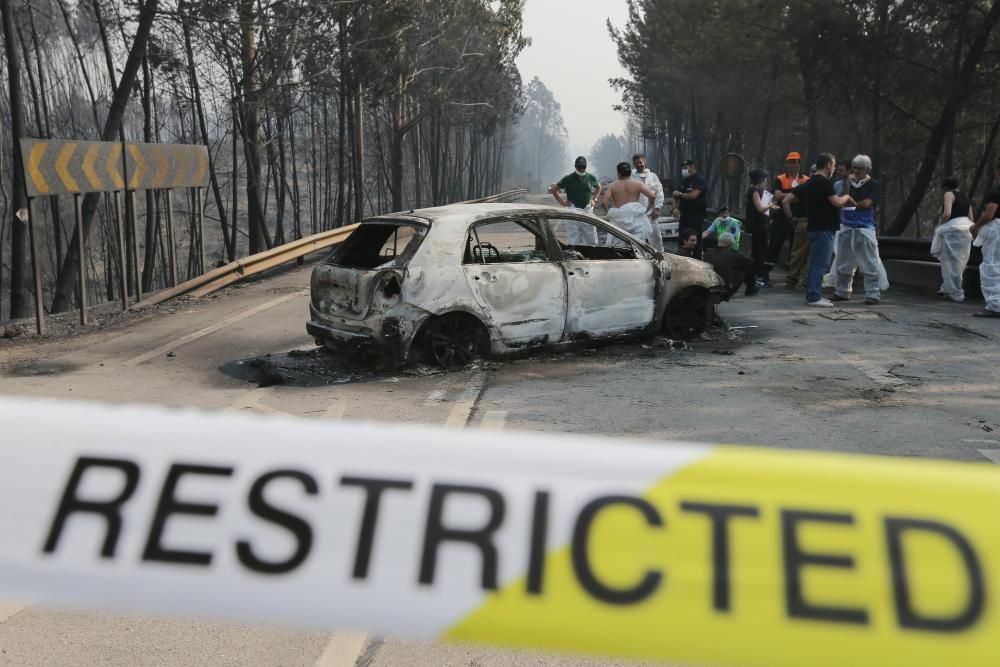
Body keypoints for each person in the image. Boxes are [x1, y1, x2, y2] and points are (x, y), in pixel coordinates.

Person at [782, 153, 855, 307]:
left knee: (816, 262)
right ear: (828, 164)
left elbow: (788, 199)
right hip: (824, 228)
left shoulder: (810, 183)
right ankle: (814, 296)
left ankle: (812, 294)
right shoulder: (824, 183)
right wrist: (846, 198)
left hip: (814, 226)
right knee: (820, 264)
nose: (834, 169)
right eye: (834, 165)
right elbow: (836, 202)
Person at [830, 155, 884, 305]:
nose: (855, 170)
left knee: (869, 262)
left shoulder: (873, 184)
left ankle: (872, 293)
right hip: (847, 225)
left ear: (866, 169)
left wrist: (850, 204)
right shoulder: (847, 182)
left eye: (859, 168)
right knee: (843, 261)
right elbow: (843, 198)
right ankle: (842, 291)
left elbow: (866, 204)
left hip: (864, 227)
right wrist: (848, 184)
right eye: (854, 167)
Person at [930, 177, 974, 303]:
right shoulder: (965, 196)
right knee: (960, 262)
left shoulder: (949, 194)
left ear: (944, 187)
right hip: (966, 229)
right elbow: (971, 217)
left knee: (949, 262)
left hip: (953, 230)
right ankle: (946, 288)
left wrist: (941, 225)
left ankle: (956, 292)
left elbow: (947, 213)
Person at [770, 152, 810, 288]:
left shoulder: (806, 179)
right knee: (775, 244)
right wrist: (795, 195)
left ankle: (793, 276)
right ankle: (765, 273)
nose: (792, 164)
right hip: (782, 217)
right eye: (790, 162)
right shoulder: (780, 179)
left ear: (799, 163)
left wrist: (786, 195)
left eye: (794, 161)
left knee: (797, 248)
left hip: (799, 218)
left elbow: (782, 195)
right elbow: (776, 196)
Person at [601, 162, 656, 246]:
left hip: (619, 221)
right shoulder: (638, 184)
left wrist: (608, 214)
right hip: (636, 220)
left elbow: (603, 203)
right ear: (630, 172)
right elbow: (652, 196)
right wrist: (647, 208)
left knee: (620, 250)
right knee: (638, 247)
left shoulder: (613, 186)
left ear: (619, 173)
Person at [550, 156, 601, 245]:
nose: (581, 169)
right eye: (579, 167)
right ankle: (575, 255)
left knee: (591, 239)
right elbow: (554, 189)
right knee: (573, 240)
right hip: (573, 210)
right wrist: (562, 202)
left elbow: (599, 187)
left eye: (583, 167)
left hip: (587, 210)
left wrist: (594, 199)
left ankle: (592, 256)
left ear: (586, 166)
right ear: (575, 166)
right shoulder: (568, 178)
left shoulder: (590, 177)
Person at [971, 163, 1000, 317]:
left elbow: (989, 215)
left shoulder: (996, 192)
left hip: (996, 232)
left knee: (991, 267)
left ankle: (995, 305)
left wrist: (975, 226)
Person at [743, 169, 772, 295]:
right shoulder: (754, 191)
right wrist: (770, 205)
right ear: (760, 179)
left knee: (757, 251)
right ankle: (757, 276)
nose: (765, 181)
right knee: (761, 250)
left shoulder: (752, 191)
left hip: (755, 224)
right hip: (758, 225)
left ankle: (753, 276)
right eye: (764, 178)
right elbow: (760, 208)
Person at [672, 159, 709, 259]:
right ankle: (681, 259)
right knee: (682, 240)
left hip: (696, 216)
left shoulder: (700, 179)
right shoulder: (684, 181)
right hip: (684, 216)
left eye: (685, 168)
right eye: (682, 168)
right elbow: (674, 195)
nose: (683, 170)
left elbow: (693, 195)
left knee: (695, 241)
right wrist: (674, 207)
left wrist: (680, 194)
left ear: (692, 167)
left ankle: (696, 261)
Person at [704, 232, 756, 298]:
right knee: (745, 266)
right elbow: (751, 261)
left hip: (707, 285)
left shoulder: (707, 253)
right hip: (723, 288)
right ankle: (750, 288)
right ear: (730, 244)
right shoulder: (732, 256)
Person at [631, 153, 665, 251]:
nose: (639, 165)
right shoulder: (631, 177)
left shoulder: (653, 176)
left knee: (656, 239)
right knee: (637, 241)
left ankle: (660, 259)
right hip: (636, 216)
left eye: (640, 162)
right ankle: (640, 261)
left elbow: (659, 193)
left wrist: (658, 208)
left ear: (645, 162)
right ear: (634, 164)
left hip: (651, 215)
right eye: (636, 163)